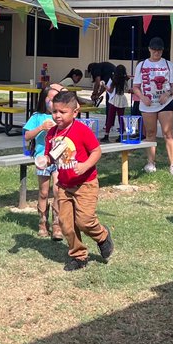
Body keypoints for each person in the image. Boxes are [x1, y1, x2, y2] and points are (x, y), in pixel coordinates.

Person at [41, 90, 112, 271]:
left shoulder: (81, 130)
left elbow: (97, 151)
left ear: (75, 112)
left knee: (85, 221)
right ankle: (78, 255)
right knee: (66, 224)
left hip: (85, 184)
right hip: (64, 185)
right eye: (55, 111)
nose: (57, 116)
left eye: (62, 112)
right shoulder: (51, 134)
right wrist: (45, 160)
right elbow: (51, 155)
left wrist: (85, 166)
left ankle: (102, 236)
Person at [132, 37, 173, 176]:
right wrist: (142, 97)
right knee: (150, 133)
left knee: (168, 133)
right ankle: (150, 162)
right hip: (147, 104)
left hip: (164, 103)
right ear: (149, 49)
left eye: (159, 50)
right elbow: (135, 87)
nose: (157, 53)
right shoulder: (141, 65)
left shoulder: (168, 65)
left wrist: (167, 94)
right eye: (154, 50)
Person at [23, 91, 63, 240]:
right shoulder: (37, 117)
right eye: (50, 98)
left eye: (56, 98)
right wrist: (41, 128)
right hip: (42, 158)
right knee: (44, 192)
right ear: (43, 99)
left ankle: (57, 225)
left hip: (59, 157)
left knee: (58, 191)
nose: (52, 101)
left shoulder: (60, 116)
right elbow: (27, 136)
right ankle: (42, 222)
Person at [103, 64, 130, 140]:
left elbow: (110, 90)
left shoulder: (114, 80)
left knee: (110, 117)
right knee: (121, 118)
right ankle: (121, 135)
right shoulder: (125, 80)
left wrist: (105, 86)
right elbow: (127, 89)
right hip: (122, 98)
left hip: (115, 99)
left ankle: (106, 135)